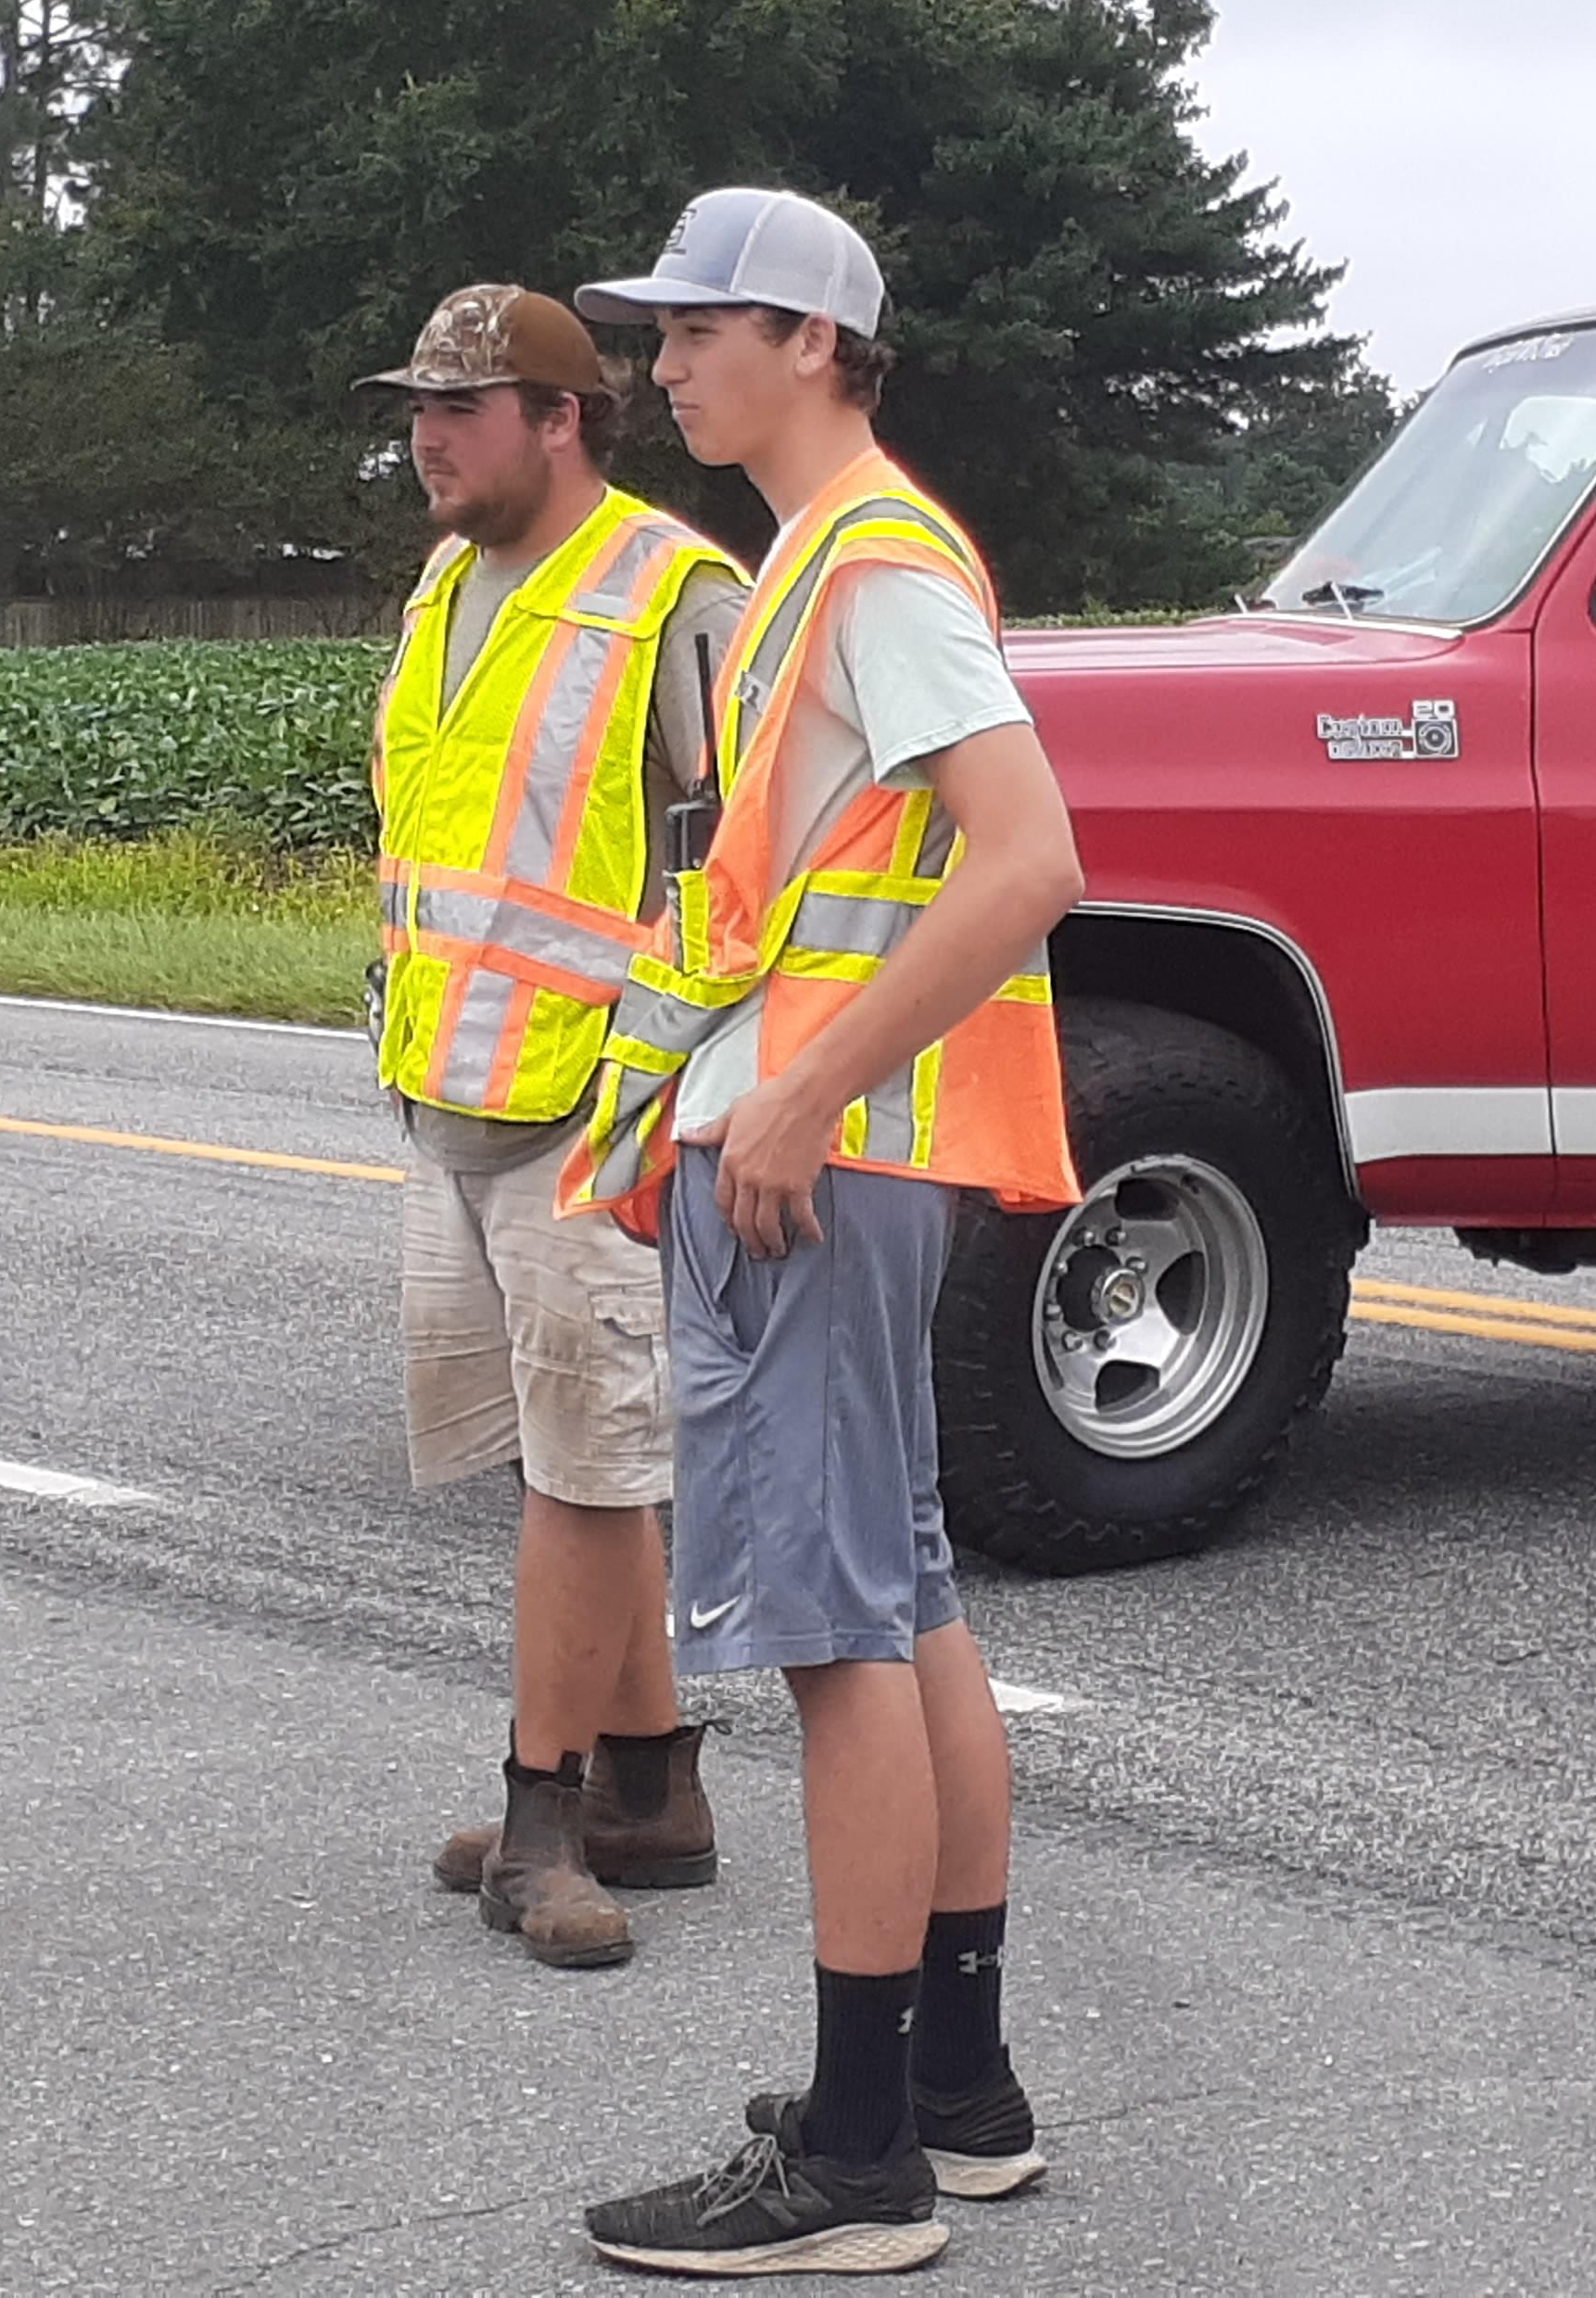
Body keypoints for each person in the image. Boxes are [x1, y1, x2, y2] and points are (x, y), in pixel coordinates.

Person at [558, 192, 1085, 2277]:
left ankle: (857, 2160)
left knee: (833, 1639)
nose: (664, 364)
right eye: (659, 332)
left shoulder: (868, 561)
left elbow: (1030, 856)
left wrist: (792, 1089)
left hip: (814, 1164)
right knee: (909, 1599)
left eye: (697, 329)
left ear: (812, 338)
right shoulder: (821, 563)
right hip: (838, 1158)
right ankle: (955, 2096)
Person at [361, 283, 749, 1971]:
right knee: (558, 1459)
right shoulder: (452, 579)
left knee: (590, 1478)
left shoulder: (675, 594)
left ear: (561, 418)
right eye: (417, 408)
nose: (428, 437)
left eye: (464, 406)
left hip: (596, 1107)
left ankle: (545, 1820)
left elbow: (750, 872)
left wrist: (660, 1087)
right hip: (451, 1080)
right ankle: (653, 1791)